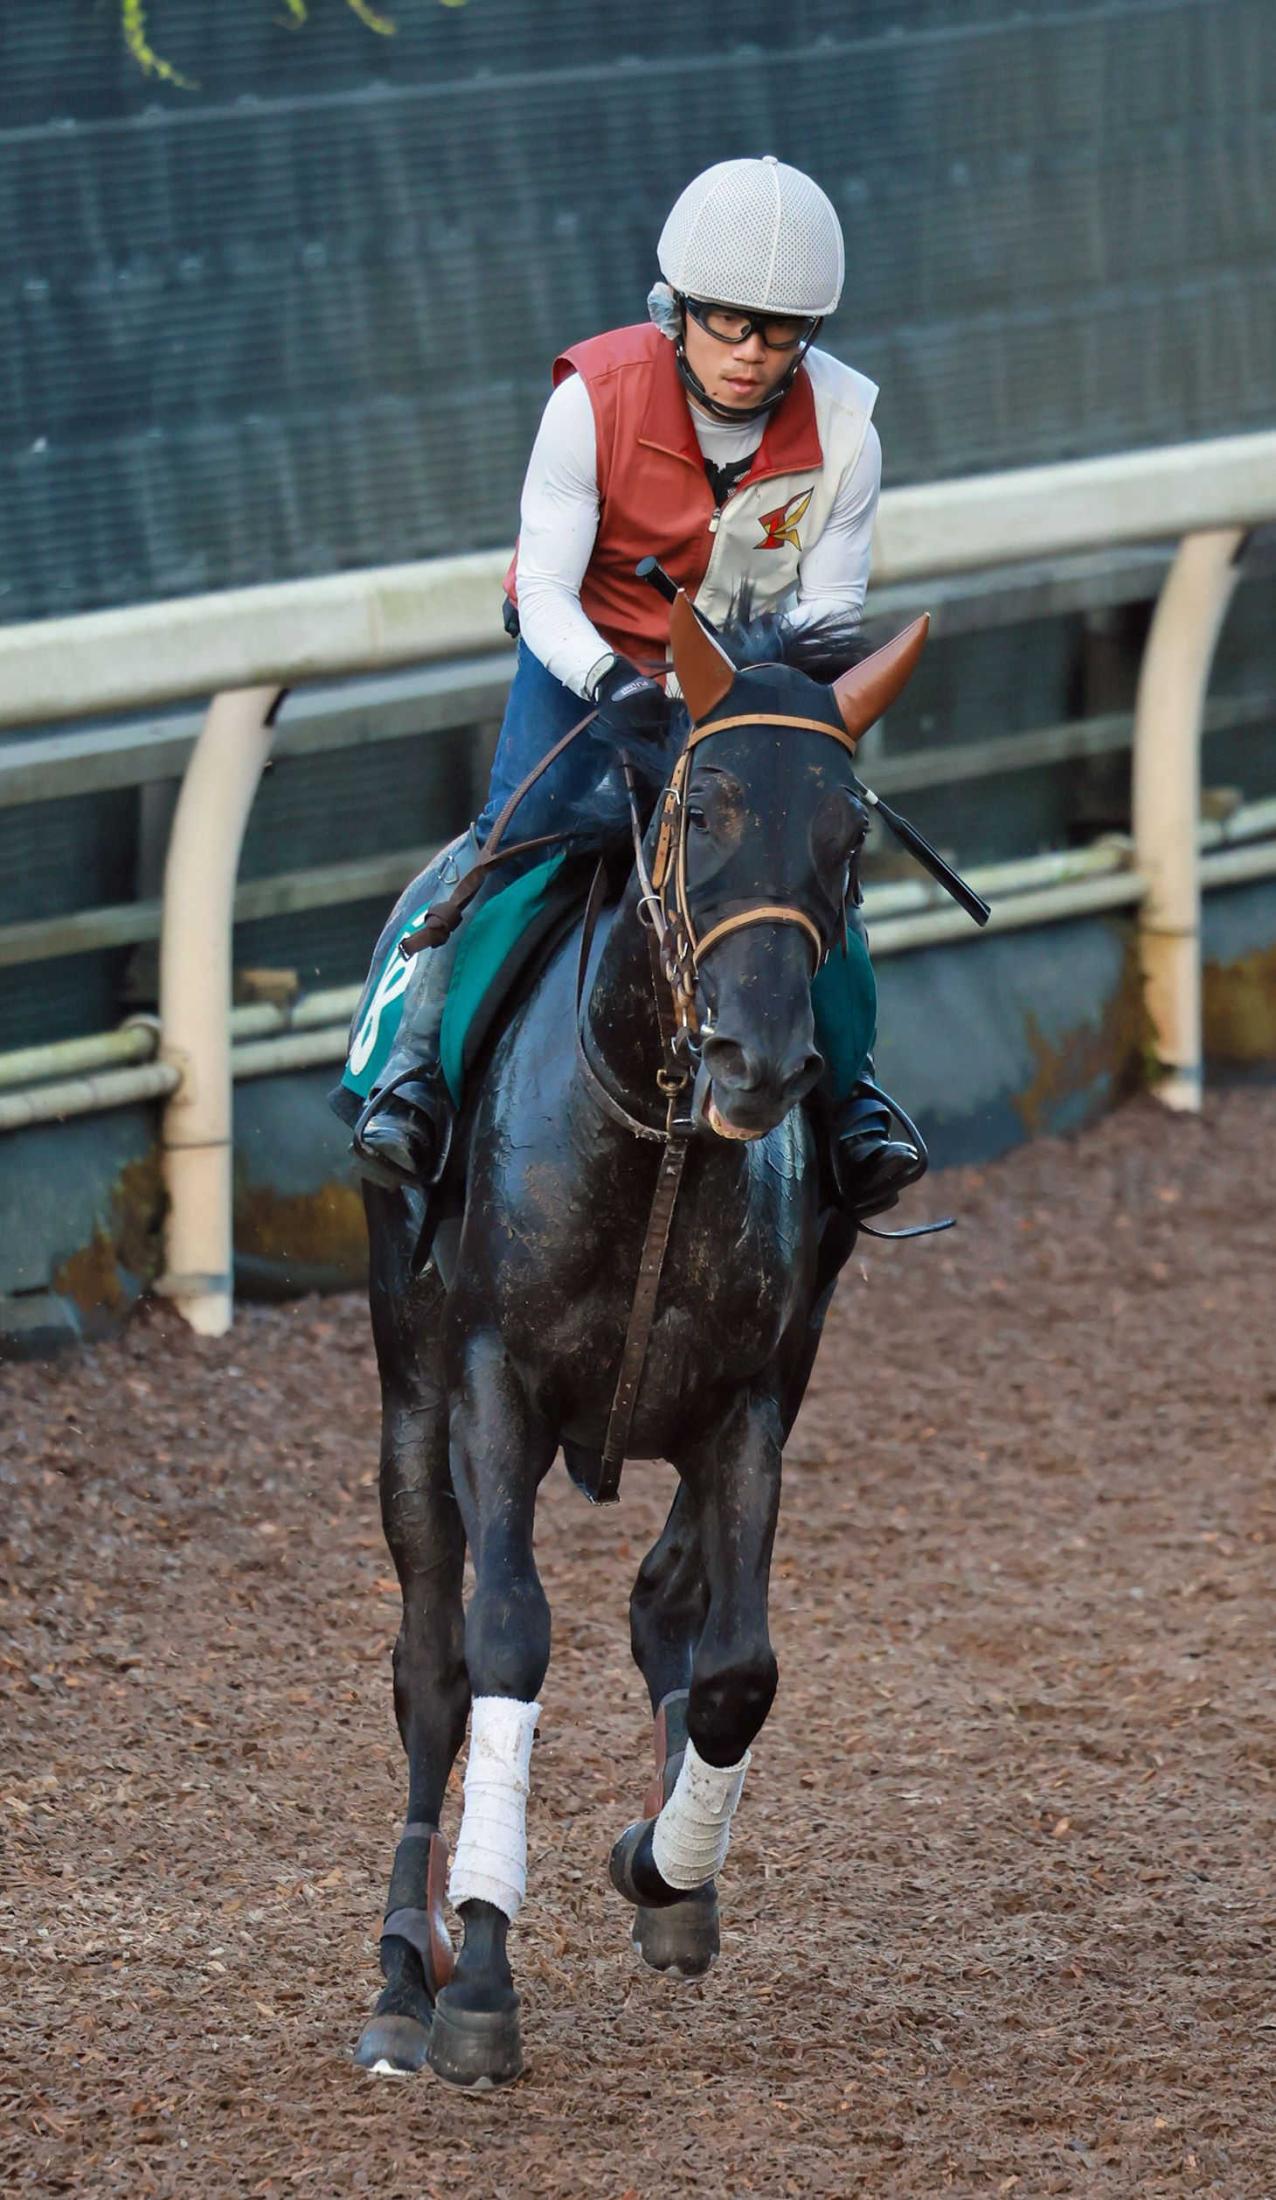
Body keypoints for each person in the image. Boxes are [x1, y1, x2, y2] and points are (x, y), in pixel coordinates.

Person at [345, 155, 925, 1220]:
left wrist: (742, 700)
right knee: (516, 842)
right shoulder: (589, 402)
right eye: (727, 325)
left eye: (779, 333)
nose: (750, 356)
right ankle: (412, 1070)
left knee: (803, 862)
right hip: (588, 665)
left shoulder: (851, 433)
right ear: (677, 310)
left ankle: (853, 1100)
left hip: (748, 683)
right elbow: (551, 592)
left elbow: (830, 618)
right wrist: (619, 682)